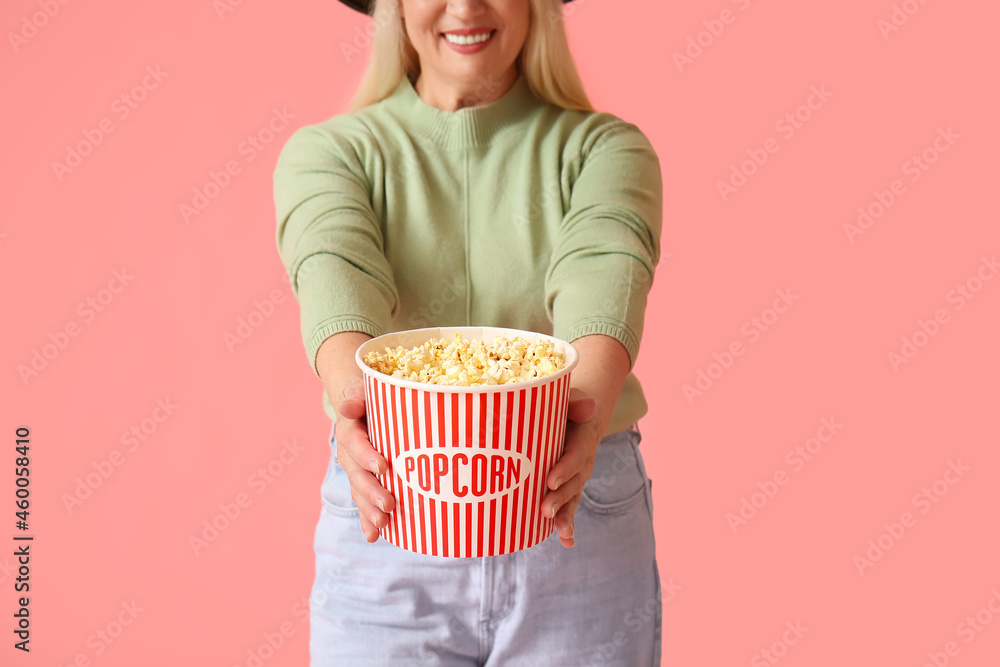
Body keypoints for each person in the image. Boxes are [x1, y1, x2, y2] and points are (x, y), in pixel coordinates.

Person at [273, 0, 664, 664]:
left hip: (573, 503)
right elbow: (334, 268)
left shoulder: (607, 150)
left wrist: (583, 421)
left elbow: (606, 270)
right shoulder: (330, 154)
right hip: (392, 505)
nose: (466, 6)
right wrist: (355, 409)